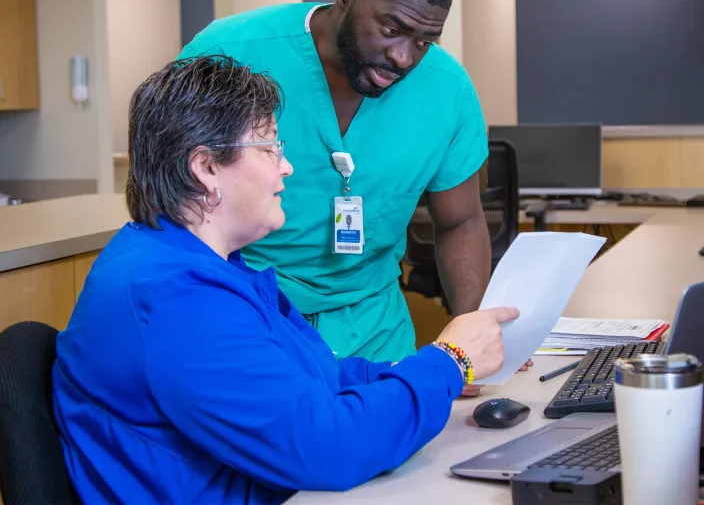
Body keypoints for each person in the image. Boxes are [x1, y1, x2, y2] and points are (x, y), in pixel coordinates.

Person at [51, 55, 520, 504]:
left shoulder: (195, 265)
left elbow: (321, 376)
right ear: (206, 167)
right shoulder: (180, 300)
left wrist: (426, 374)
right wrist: (449, 361)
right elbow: (327, 448)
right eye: (270, 147)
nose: (285, 166)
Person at [175, 0, 508, 370]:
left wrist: (472, 337)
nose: (405, 57)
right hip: (249, 321)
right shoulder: (226, 56)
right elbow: (173, 210)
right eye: (393, 29)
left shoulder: (446, 91)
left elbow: (461, 221)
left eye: (425, 41)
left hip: (373, 336)